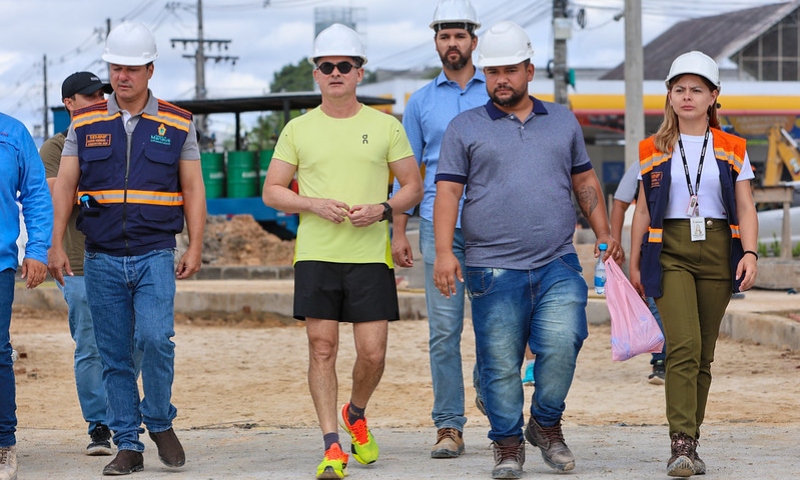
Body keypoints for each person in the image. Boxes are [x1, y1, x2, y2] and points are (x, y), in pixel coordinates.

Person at [433, 21, 620, 479]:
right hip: (489, 267)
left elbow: (584, 182)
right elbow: (448, 195)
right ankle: (508, 444)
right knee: (499, 361)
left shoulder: (561, 120)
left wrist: (604, 230)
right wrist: (442, 251)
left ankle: (546, 424)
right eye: (493, 70)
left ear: (529, 70)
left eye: (510, 70)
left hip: (556, 258)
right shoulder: (464, 127)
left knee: (564, 339)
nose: (501, 79)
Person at [261, 24, 423, 480]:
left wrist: (384, 208)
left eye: (344, 66)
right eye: (326, 66)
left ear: (359, 73)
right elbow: (272, 192)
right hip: (316, 253)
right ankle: (333, 445)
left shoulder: (386, 125)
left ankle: (356, 411)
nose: (335, 73)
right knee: (322, 348)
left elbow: (414, 186)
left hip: (370, 255)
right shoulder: (298, 129)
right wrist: (312, 203)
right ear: (316, 74)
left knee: (372, 354)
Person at [48, 21, 206, 476]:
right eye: (116, 67)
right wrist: (54, 244)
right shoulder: (86, 121)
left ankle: (159, 420)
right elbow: (66, 186)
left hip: (155, 251)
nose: (123, 76)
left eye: (133, 68)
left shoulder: (177, 123)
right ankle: (128, 445)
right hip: (99, 257)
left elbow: (193, 189)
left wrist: (194, 245)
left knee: (156, 339)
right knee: (114, 353)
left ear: (150, 70)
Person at [629, 51, 758, 478]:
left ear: (713, 96)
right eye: (679, 89)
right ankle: (679, 444)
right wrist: (634, 264)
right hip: (669, 250)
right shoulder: (652, 149)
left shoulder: (733, 148)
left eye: (696, 90)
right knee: (682, 346)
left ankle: (692, 441)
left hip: (720, 249)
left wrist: (752, 254)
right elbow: (643, 211)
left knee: (703, 354)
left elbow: (745, 205)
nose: (687, 97)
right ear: (668, 95)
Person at [389, 0, 488, 459]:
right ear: (436, 42)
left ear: (473, 40)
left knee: (497, 325)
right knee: (444, 332)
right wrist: (398, 231)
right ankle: (449, 424)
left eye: (460, 36)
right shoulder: (420, 103)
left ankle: (491, 394)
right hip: (435, 226)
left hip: (493, 225)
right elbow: (406, 174)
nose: (453, 43)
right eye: (445, 36)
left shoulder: (498, 92)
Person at [39, 71, 115, 456]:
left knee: (136, 342)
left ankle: (121, 411)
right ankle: (99, 425)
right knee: (90, 344)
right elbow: (60, 196)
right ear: (69, 103)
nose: (99, 99)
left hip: (121, 254)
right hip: (78, 262)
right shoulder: (54, 149)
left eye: (101, 93)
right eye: (89, 96)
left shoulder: (118, 135)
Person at [0, 112, 52, 480]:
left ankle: (4, 445)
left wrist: (37, 249)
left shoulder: (13, 133)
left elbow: (35, 193)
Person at [610, 162, 667, 385]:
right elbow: (619, 204)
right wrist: (616, 242)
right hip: (649, 245)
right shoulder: (644, 162)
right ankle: (660, 360)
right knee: (654, 301)